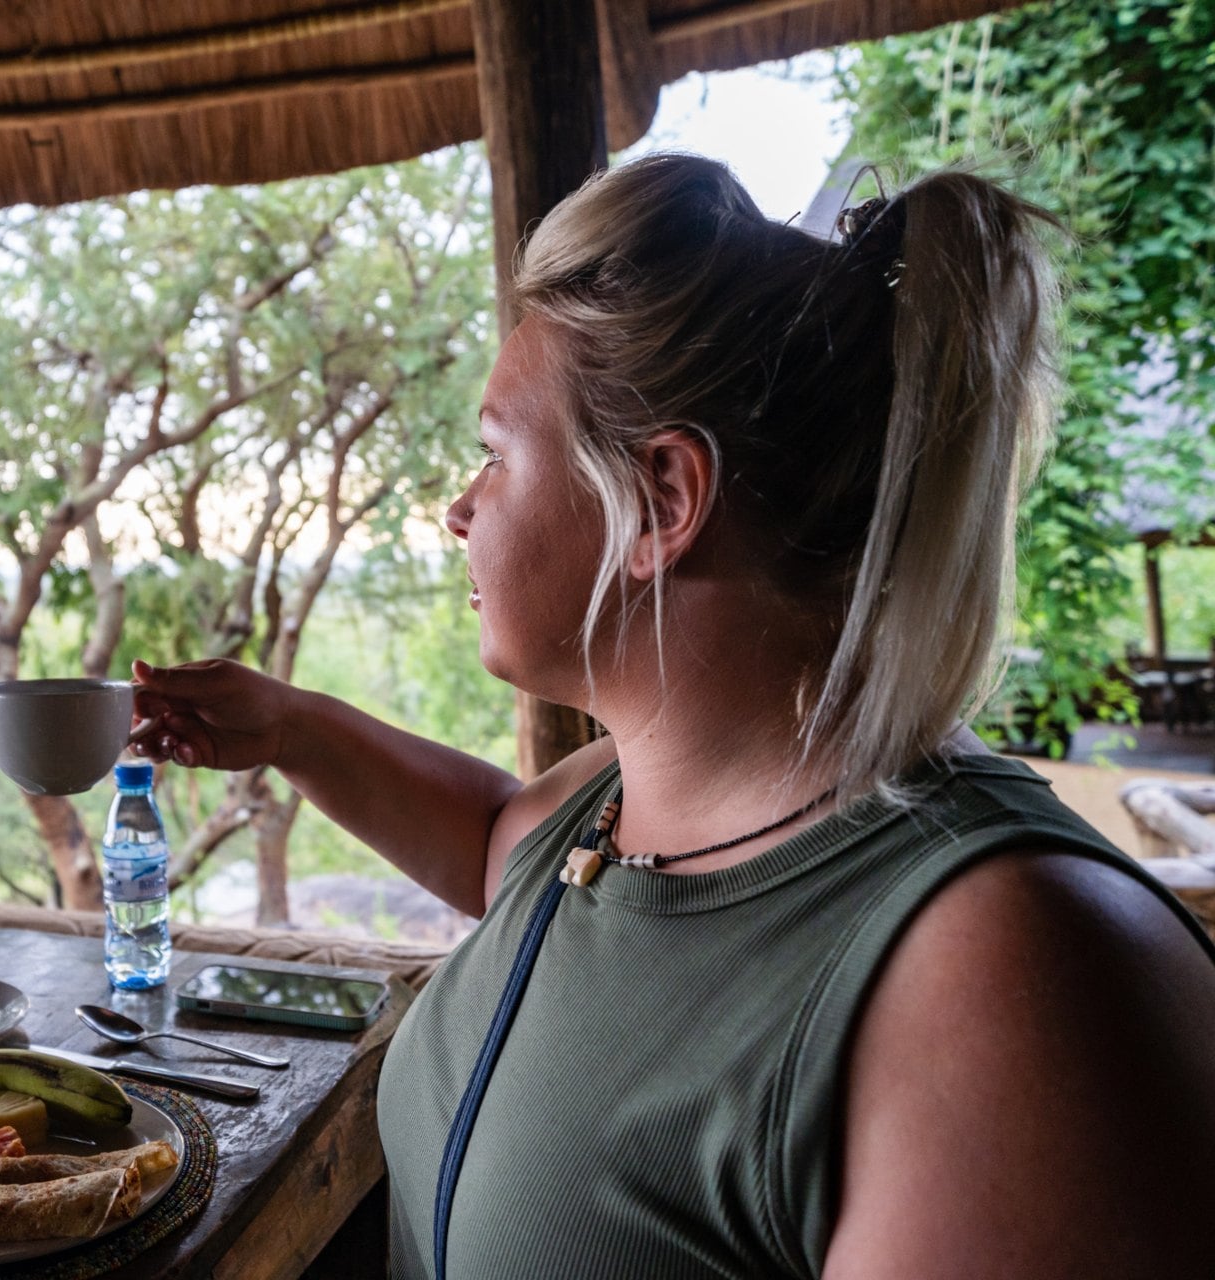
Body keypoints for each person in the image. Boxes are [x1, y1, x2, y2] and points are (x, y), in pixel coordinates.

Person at [128, 153, 1215, 1279]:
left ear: (662, 500)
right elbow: (501, 838)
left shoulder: (1008, 981)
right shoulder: (616, 808)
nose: (459, 509)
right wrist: (292, 727)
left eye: (494, 453)